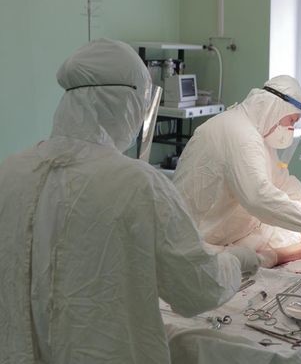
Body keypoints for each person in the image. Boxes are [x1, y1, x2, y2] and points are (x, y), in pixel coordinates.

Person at [0, 39, 255, 364]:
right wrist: (237, 260)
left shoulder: (10, 171)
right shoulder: (138, 184)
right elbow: (197, 290)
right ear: (126, 104)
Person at [173, 75, 301, 267]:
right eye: (291, 120)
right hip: (200, 240)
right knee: (247, 260)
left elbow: (281, 181)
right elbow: (259, 198)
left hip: (231, 232)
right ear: (276, 108)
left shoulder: (258, 133)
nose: (291, 128)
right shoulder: (241, 134)